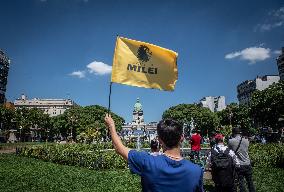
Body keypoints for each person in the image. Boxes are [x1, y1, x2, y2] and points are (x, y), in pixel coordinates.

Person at [104, 114, 204, 192]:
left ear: (159, 140)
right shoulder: (196, 171)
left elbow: (119, 148)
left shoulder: (147, 162)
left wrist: (111, 126)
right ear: (182, 137)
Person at [228, 127, 255, 192]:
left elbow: (230, 152)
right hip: (247, 163)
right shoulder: (246, 140)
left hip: (239, 164)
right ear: (240, 133)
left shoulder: (231, 141)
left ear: (233, 133)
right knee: (250, 181)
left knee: (241, 182)